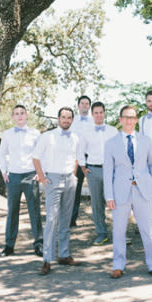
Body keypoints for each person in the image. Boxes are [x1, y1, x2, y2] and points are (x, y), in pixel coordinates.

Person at [103, 105, 152, 279]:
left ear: (136, 120)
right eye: (126, 117)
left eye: (132, 117)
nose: (129, 121)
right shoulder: (110, 143)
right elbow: (108, 172)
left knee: (148, 230)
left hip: (143, 191)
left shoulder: (146, 141)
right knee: (119, 231)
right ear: (120, 119)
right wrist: (109, 195)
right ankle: (118, 265)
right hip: (120, 192)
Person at [33, 107, 82, 275]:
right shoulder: (48, 136)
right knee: (52, 220)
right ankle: (47, 259)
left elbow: (77, 158)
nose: (66, 120)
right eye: (63, 117)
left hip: (70, 180)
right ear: (58, 118)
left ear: (72, 120)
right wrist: (42, 177)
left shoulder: (75, 137)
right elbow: (36, 157)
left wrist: (74, 176)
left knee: (66, 219)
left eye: (69, 118)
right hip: (52, 179)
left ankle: (64, 254)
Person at [0, 104, 43, 257]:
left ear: (27, 115)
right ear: (13, 117)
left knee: (34, 211)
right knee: (12, 212)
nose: (20, 116)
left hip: (31, 175)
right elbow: (1, 153)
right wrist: (4, 171)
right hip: (14, 177)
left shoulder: (35, 134)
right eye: (16, 113)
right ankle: (9, 246)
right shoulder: (8, 134)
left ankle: (39, 244)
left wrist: (40, 172)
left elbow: (42, 153)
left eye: (22, 113)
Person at [78, 101, 118, 245]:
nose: (99, 115)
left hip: (111, 170)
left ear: (104, 113)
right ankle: (102, 233)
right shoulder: (86, 133)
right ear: (92, 114)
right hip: (93, 170)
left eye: (101, 112)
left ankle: (120, 233)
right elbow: (80, 152)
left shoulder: (113, 131)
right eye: (96, 113)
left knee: (116, 202)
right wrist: (84, 168)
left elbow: (119, 151)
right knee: (97, 204)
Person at [70, 95, 93, 227]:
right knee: (75, 189)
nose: (84, 106)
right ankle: (71, 219)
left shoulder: (94, 121)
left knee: (96, 189)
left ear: (89, 106)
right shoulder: (72, 121)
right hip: (77, 159)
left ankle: (99, 220)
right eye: (82, 103)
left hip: (91, 158)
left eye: (87, 104)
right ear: (78, 106)